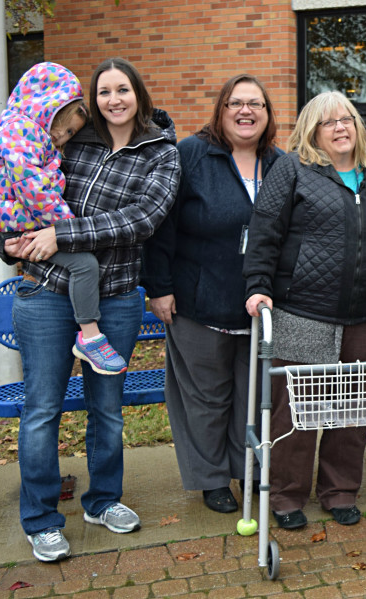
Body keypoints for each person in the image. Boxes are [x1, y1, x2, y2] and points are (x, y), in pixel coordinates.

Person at [0, 57, 180, 562]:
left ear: (138, 94)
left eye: (123, 89)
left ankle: (103, 501)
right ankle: (40, 518)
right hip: (45, 296)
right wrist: (8, 241)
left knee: (107, 410)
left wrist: (62, 234)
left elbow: (142, 219)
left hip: (117, 298)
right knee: (41, 411)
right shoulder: (70, 139)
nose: (113, 100)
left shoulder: (161, 153)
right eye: (104, 92)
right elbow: (22, 196)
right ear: (90, 100)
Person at [243, 91, 366, 529]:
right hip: (303, 313)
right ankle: (286, 497)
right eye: (329, 122)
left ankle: (340, 492)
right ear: (312, 132)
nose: (341, 128)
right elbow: (265, 230)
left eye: (348, 120)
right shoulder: (293, 171)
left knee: (352, 412)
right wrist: (258, 286)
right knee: (294, 414)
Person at [141, 74, 283, 514]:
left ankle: (249, 470)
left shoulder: (280, 163)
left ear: (267, 114)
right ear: (220, 110)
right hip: (197, 301)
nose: (246, 111)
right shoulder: (190, 155)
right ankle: (212, 480)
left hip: (259, 307)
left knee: (251, 395)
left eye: (255, 104)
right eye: (235, 103)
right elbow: (160, 225)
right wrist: (159, 288)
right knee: (206, 398)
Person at [0, 62, 126, 376]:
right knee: (84, 264)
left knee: (82, 264)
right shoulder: (20, 133)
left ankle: (89, 333)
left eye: (71, 133)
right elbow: (33, 190)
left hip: (19, 217)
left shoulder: (31, 136)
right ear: (51, 107)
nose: (64, 137)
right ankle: (90, 336)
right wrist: (65, 227)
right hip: (20, 216)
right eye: (66, 128)